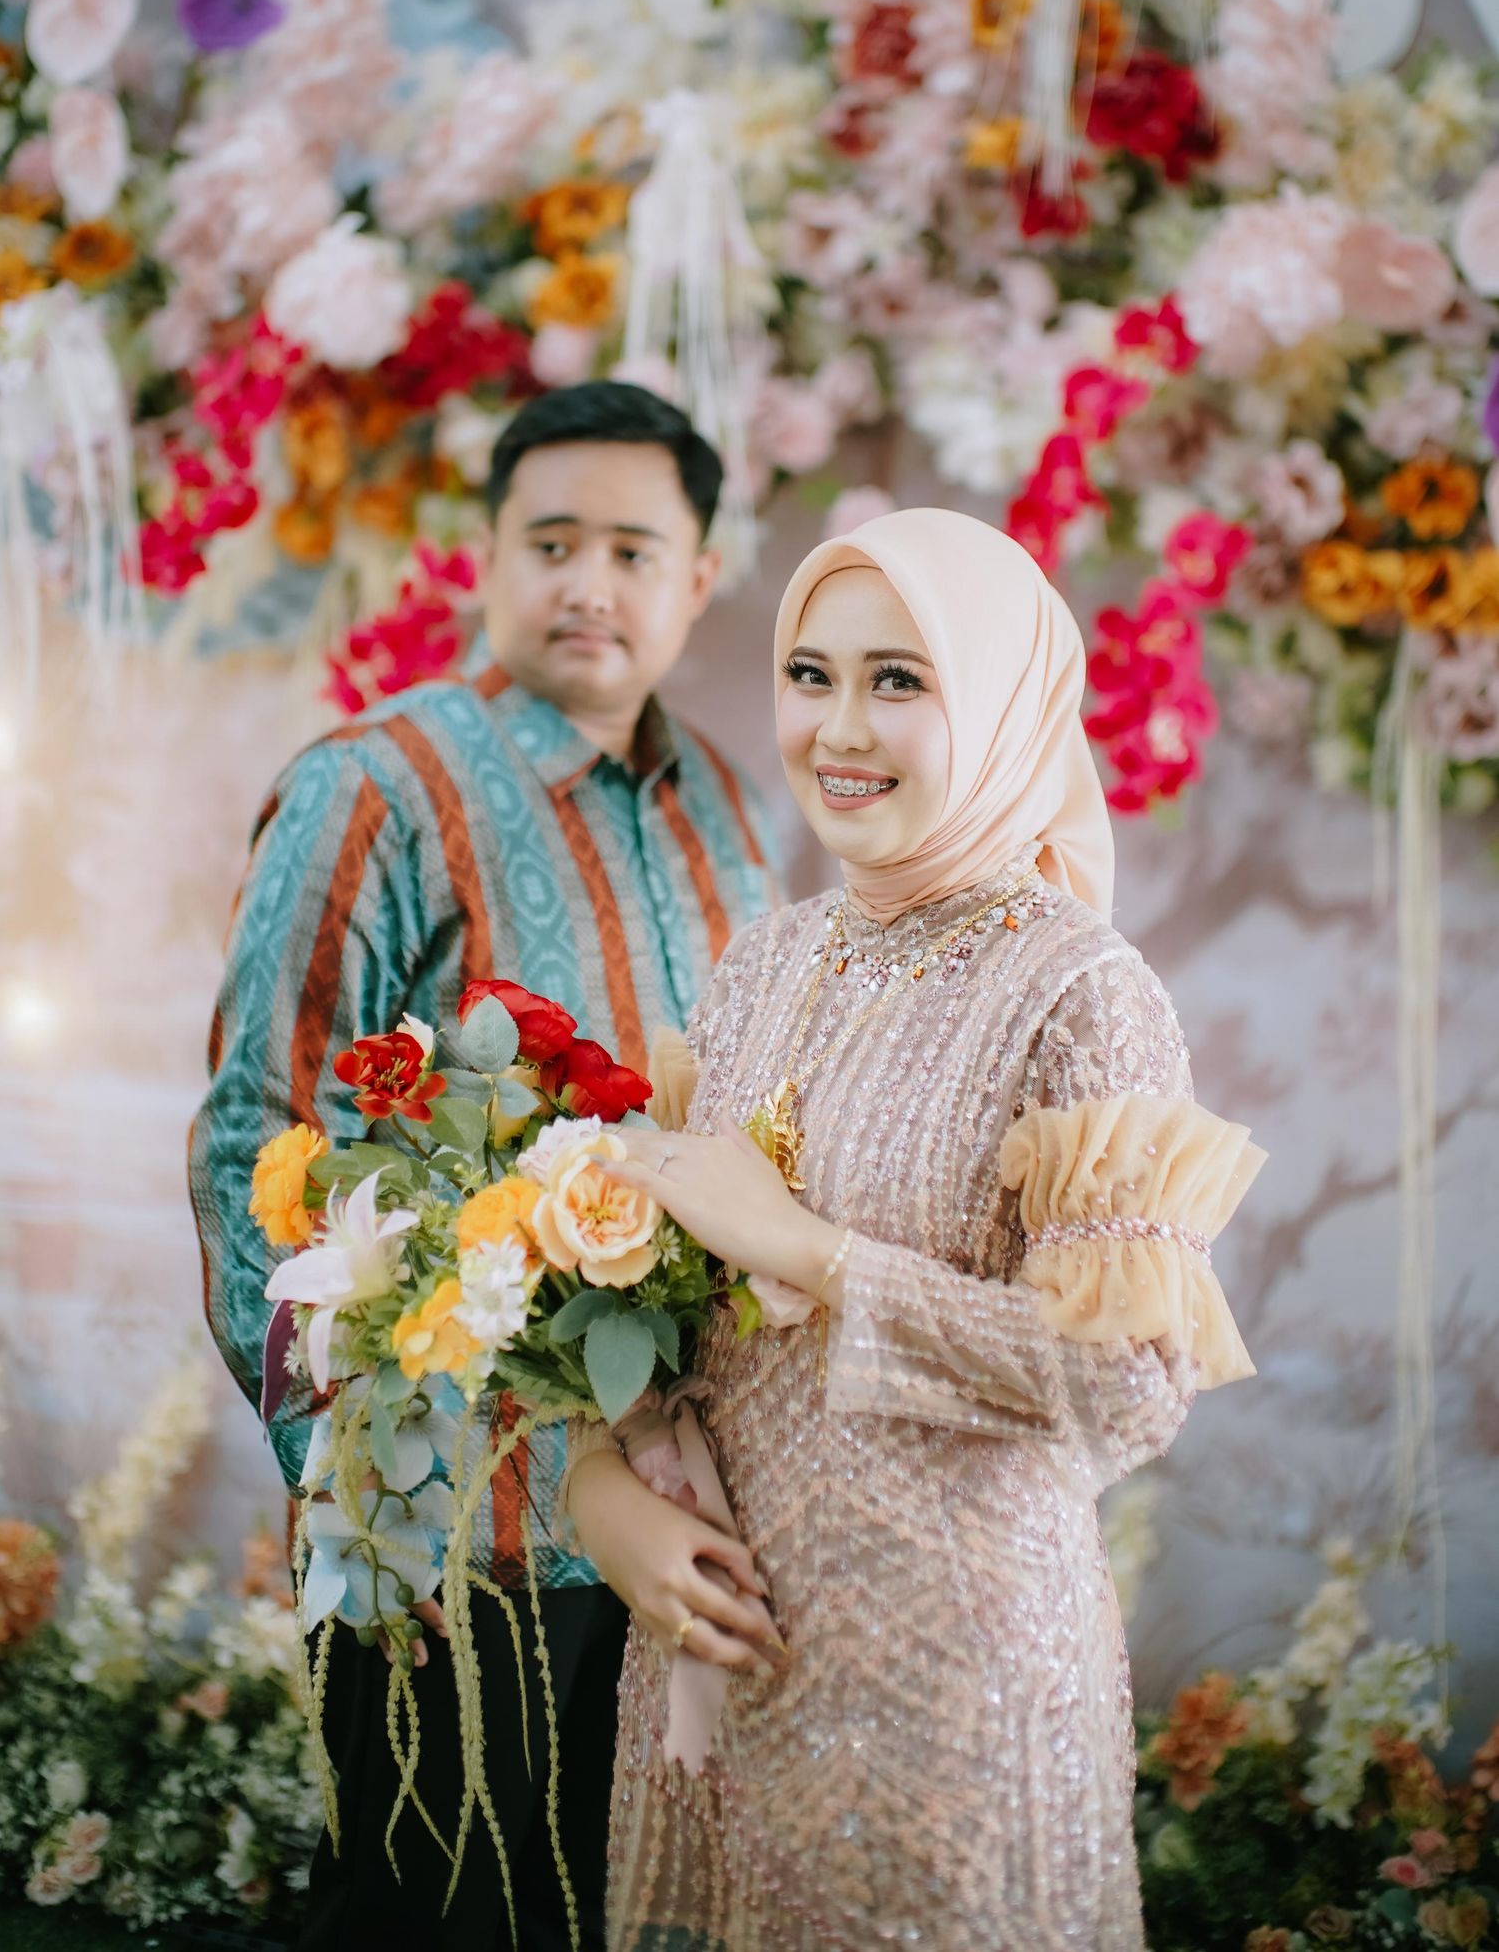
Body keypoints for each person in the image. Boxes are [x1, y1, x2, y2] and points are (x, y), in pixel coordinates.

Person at [567, 507, 1262, 1952]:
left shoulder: (1078, 991)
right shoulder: (762, 962)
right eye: (810, 675)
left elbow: (1128, 1380)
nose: (840, 728)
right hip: (718, 1657)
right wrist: (601, 1487)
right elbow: (656, 1297)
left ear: (1001, 700)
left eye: (900, 679)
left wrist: (813, 1255)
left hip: (947, 1697)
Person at [188, 381, 779, 1952]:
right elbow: (257, 1143)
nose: (590, 583)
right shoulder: (376, 784)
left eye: (632, 551)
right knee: (444, 1911)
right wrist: (376, 1492)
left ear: (696, 578)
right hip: (452, 1543)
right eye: (552, 541)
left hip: (690, 1521)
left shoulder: (725, 804)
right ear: (489, 553)